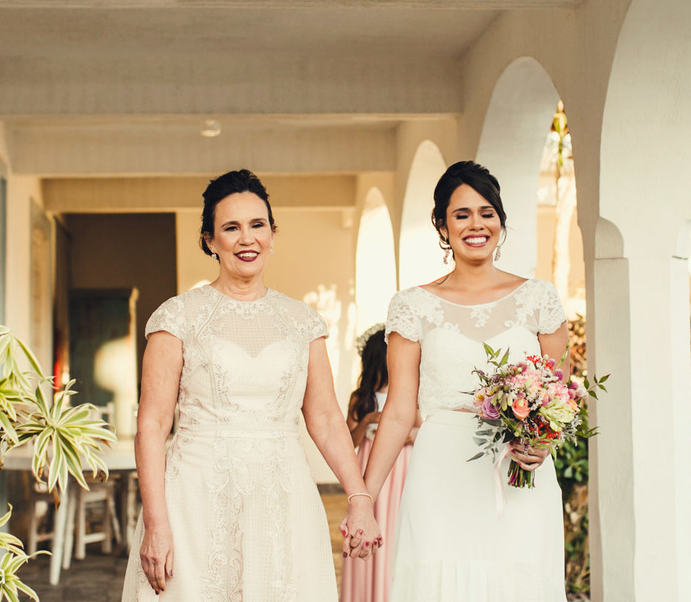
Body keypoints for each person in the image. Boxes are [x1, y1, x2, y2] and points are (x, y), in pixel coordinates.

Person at [122, 169, 381, 602]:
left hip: (283, 495)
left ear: (273, 233)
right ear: (210, 240)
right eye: (231, 228)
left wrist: (359, 497)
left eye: (257, 225)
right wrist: (157, 523)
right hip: (196, 496)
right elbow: (152, 424)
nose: (247, 239)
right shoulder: (178, 317)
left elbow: (325, 418)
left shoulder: (302, 322)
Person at [362, 160, 571, 601]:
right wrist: (364, 499)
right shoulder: (412, 306)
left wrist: (542, 442)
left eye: (486, 212)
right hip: (440, 472)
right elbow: (400, 411)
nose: (476, 224)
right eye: (461, 214)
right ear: (442, 225)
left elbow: (560, 392)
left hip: (519, 474)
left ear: (500, 220)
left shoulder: (539, 298)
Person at [340, 326, 418, 602]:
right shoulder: (360, 399)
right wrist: (367, 420)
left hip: (403, 468)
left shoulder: (411, 395)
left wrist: (407, 435)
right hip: (370, 468)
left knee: (399, 529)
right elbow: (349, 442)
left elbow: (419, 428)